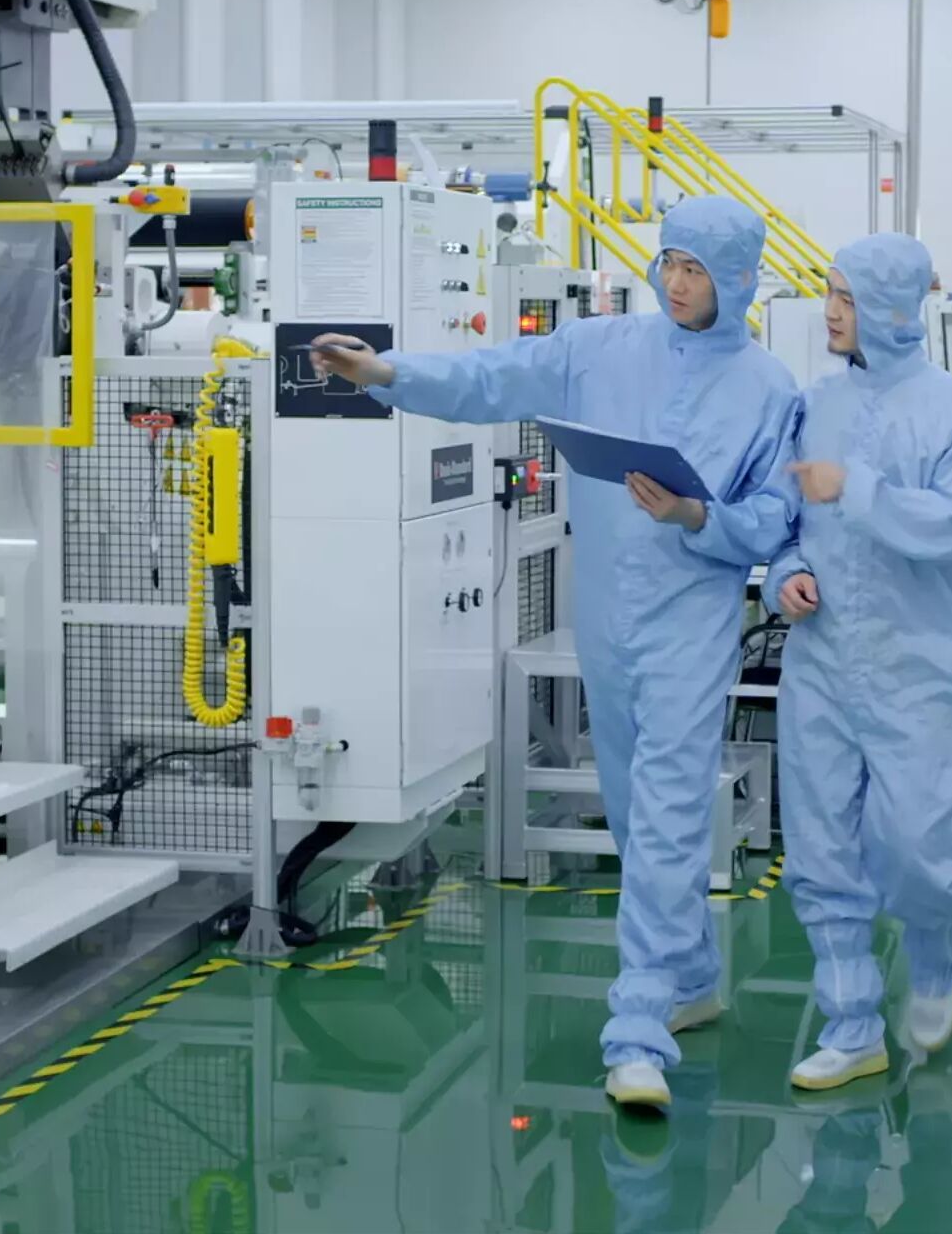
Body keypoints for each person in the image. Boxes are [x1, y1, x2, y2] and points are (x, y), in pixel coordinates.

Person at [311, 196, 799, 1110]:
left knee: (667, 815)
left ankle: (637, 1034)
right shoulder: (596, 348)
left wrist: (697, 514)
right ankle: (692, 978)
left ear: (737, 281)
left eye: (698, 271)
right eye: (671, 262)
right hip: (606, 617)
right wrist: (383, 371)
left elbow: (776, 515)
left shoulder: (770, 389)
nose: (677, 283)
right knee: (634, 814)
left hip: (691, 622)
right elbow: (488, 377)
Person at [765, 233, 952, 1092]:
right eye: (828, 293)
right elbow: (787, 522)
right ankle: (850, 1023)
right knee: (821, 849)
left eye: (846, 297)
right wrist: (785, 575)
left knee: (918, 845)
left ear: (893, 310)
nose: (829, 311)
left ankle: (934, 962)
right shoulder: (814, 403)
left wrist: (856, 489)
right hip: (822, 661)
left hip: (918, 664)